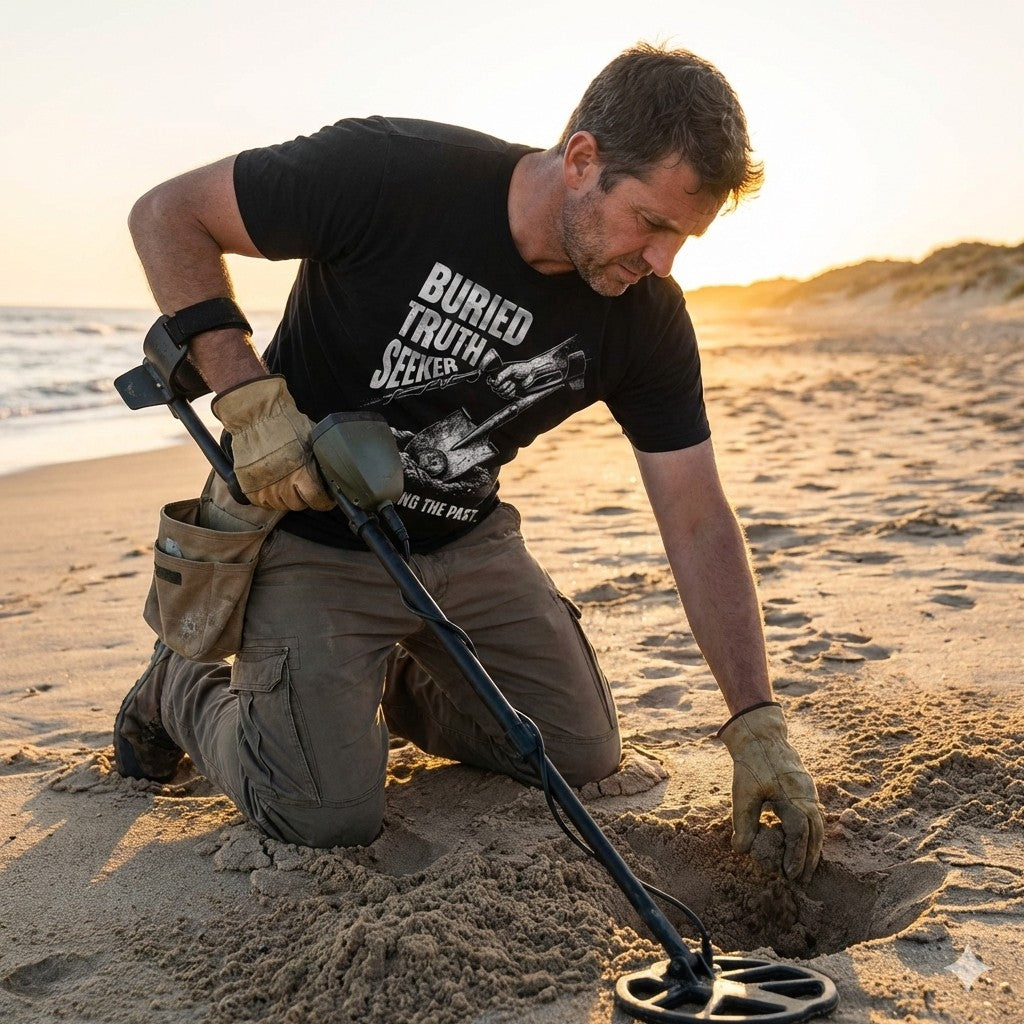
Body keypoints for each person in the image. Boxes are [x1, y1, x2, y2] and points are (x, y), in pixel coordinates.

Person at [114, 42, 824, 883]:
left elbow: (698, 513)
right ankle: (179, 685)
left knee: (580, 755)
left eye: (685, 237)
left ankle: (379, 678)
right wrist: (247, 396)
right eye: (653, 224)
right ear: (583, 160)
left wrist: (756, 722)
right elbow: (166, 214)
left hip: (464, 542)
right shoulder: (393, 172)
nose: (662, 262)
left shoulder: (646, 318)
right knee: (323, 814)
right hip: (309, 533)